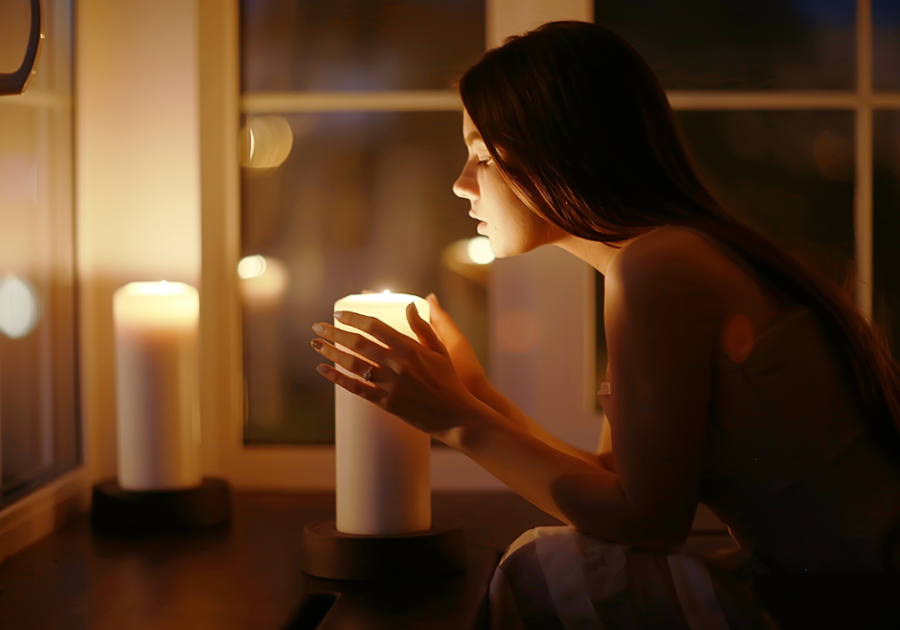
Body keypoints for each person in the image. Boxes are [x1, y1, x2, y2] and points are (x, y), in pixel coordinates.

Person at [310, 20, 900, 629]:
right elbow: (614, 486)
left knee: (547, 567)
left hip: (861, 602)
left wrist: (454, 419)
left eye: (483, 155)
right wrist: (474, 395)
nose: (462, 184)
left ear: (564, 152)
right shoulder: (663, 259)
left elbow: (647, 522)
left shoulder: (659, 267)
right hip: (841, 586)